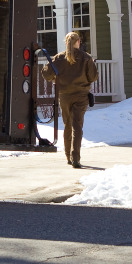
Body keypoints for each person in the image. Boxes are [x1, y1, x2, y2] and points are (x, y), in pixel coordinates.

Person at [40, 31, 98, 168]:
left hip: (64, 96)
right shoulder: (86, 58)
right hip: (81, 96)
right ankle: (76, 158)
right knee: (77, 126)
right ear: (78, 42)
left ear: (66, 43)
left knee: (67, 125)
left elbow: (46, 75)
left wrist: (56, 78)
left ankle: (68, 156)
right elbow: (93, 78)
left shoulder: (58, 58)